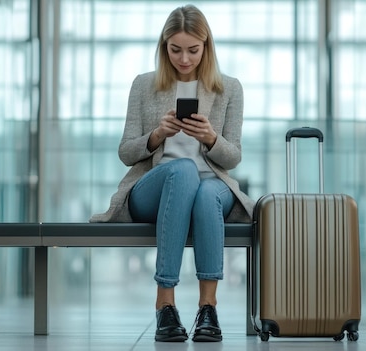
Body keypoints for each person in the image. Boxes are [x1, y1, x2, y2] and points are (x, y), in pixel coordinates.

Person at [89, 4, 254, 343]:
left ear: (206, 47)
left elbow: (233, 156)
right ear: (164, 47)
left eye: (193, 50)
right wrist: (156, 136)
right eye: (175, 49)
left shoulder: (229, 89)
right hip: (156, 185)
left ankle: (207, 307)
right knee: (182, 170)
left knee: (205, 189)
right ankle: (165, 302)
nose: (184, 59)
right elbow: (125, 152)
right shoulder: (144, 86)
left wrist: (210, 138)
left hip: (212, 186)